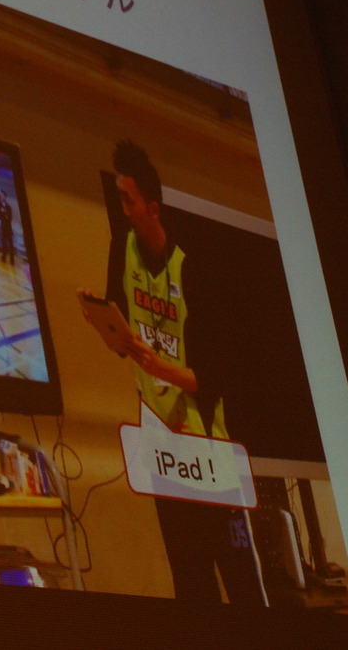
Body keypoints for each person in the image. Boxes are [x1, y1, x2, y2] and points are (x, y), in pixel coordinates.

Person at [80, 139, 265, 606]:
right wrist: (102, 323)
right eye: (120, 199)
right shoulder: (122, 249)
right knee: (191, 581)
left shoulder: (192, 266)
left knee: (242, 583)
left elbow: (216, 377)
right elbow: (124, 339)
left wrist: (159, 364)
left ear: (153, 208)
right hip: (161, 444)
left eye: (130, 201)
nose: (124, 210)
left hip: (208, 448)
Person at [0, 195, 15, 266]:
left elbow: (9, 219)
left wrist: (5, 213)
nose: (1, 197)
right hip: (3, 228)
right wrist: (1, 212)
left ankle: (12, 261)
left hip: (8, 229)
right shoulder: (0, 207)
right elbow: (0, 216)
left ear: (5, 197)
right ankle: (4, 258)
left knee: (10, 245)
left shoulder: (9, 207)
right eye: (1, 195)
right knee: (4, 244)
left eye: (2, 196)